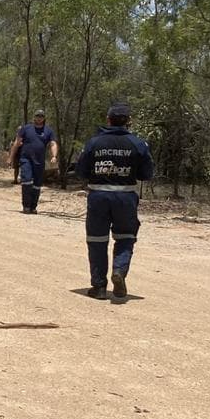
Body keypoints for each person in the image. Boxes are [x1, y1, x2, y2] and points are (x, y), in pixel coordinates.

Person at [75, 102, 155, 300]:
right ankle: (119, 270)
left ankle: (99, 287)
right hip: (126, 198)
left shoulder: (94, 143)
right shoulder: (138, 143)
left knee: (97, 241)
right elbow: (147, 174)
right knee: (126, 238)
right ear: (128, 122)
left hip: (98, 197)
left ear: (108, 120)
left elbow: (80, 172)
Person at [8, 110, 58, 214]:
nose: (39, 118)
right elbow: (17, 143)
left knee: (37, 185)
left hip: (39, 162)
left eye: (41, 116)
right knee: (26, 180)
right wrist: (11, 157)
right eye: (37, 116)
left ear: (44, 118)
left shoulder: (48, 131)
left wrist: (54, 156)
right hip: (26, 159)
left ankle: (33, 207)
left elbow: (53, 144)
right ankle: (26, 206)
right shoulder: (26, 128)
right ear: (34, 117)